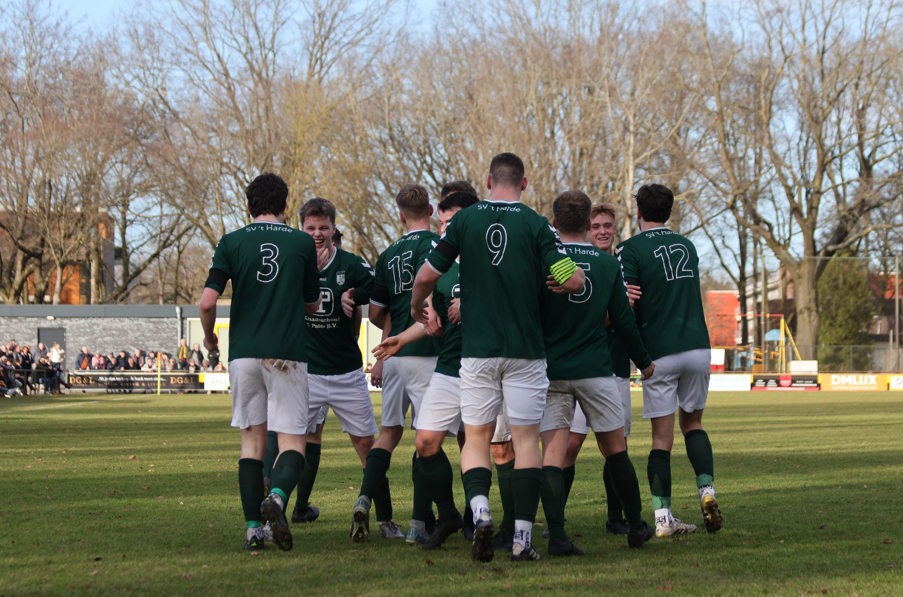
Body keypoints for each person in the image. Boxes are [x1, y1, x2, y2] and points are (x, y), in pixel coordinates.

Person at [410, 153, 585, 562]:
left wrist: (420, 305)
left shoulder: (465, 220)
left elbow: (426, 276)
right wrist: (566, 285)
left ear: (489, 180)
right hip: (526, 352)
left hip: (477, 353)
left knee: (476, 439)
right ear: (524, 184)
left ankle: (481, 512)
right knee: (525, 441)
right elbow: (574, 277)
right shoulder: (537, 223)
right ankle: (523, 539)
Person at [199, 172, 321, 552]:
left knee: (251, 445)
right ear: (285, 206)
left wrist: (209, 338)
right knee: (292, 443)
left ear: (248, 204)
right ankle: (279, 499)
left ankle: (254, 531)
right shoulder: (302, 242)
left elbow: (206, 302)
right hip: (286, 353)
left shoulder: (231, 242)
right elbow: (313, 303)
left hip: (243, 355)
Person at [536, 190, 656, 556]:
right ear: (589, 224)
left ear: (554, 223)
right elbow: (623, 322)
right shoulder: (607, 266)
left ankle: (557, 536)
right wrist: (644, 360)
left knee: (553, 456)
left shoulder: (542, 261)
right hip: (596, 371)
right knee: (615, 451)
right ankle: (635, 527)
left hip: (552, 371)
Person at [276, 198, 396, 536]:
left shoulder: (350, 264)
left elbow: (382, 294)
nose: (317, 234)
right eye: (311, 228)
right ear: (302, 228)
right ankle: (281, 509)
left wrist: (355, 294)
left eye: (323, 228)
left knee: (367, 447)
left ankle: (384, 519)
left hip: (346, 373)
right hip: (306, 374)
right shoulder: (293, 262)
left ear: (333, 228)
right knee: (294, 441)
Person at [372, 189, 481, 551]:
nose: (449, 228)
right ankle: (448, 514)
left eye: (455, 222)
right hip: (447, 366)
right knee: (425, 440)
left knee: (489, 445)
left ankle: (489, 520)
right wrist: (400, 339)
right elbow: (427, 315)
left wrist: (473, 304)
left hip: (488, 364)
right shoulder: (442, 265)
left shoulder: (493, 257)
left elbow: (517, 301)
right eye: (445, 222)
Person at [616, 183, 722, 536]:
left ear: (639, 213)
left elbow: (626, 305)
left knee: (661, 440)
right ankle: (706, 491)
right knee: (693, 424)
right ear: (670, 212)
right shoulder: (687, 245)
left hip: (659, 352)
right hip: (697, 346)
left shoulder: (629, 249)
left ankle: (663, 518)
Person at [351, 183, 443, 545]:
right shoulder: (437, 245)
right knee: (427, 438)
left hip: (393, 354)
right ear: (431, 210)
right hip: (426, 350)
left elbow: (375, 311)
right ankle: (420, 524)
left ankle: (364, 497)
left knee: (388, 433)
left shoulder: (387, 253)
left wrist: (388, 341)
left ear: (400, 215)